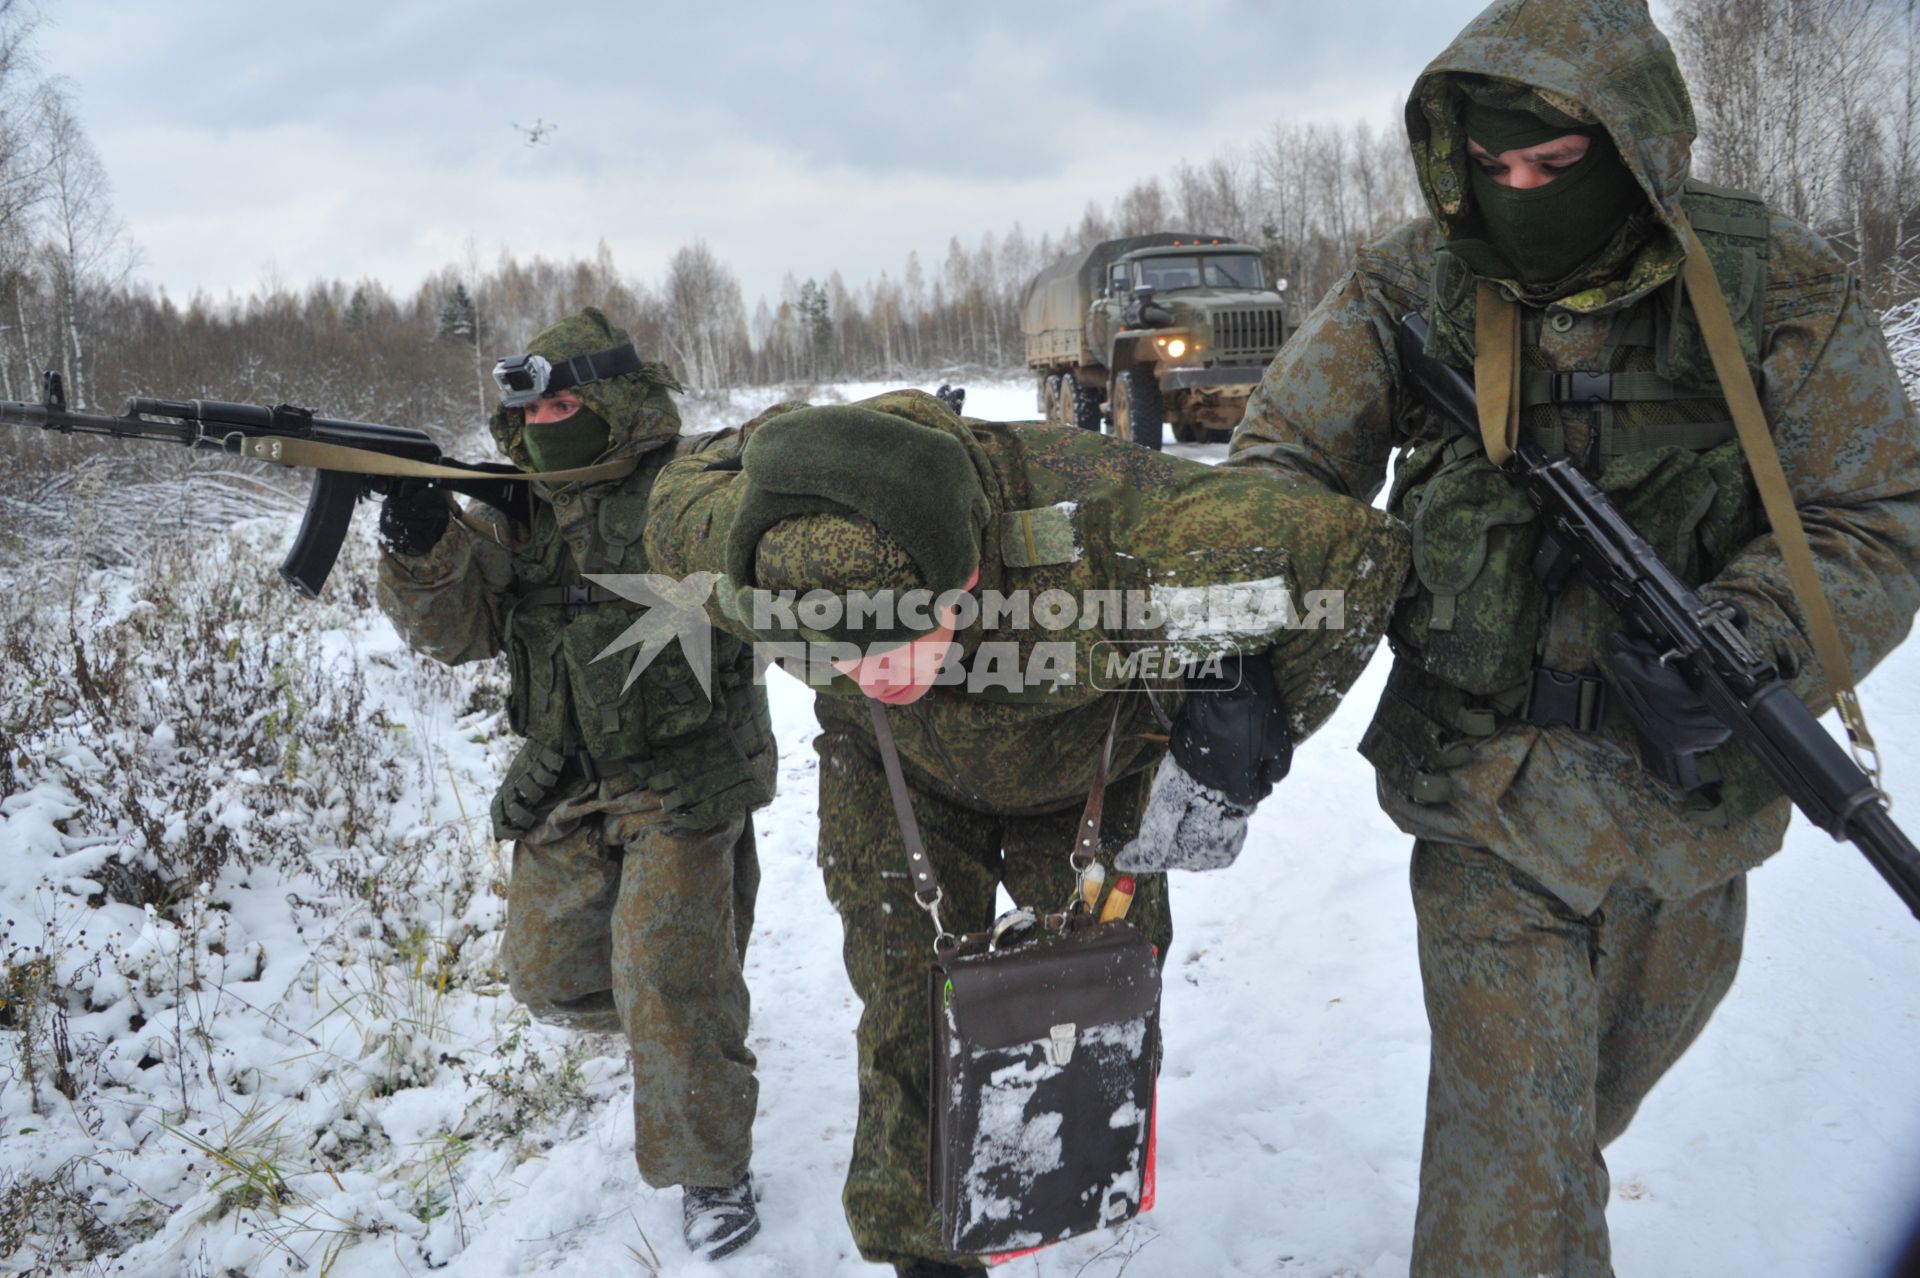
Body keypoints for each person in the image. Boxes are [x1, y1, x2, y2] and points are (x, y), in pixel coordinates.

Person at [1226, 1, 1920, 1274]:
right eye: (1491, 168)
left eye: (1555, 166)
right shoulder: (1413, 280)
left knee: (1565, 1129)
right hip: (1486, 791)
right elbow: (1282, 469)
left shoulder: (1777, 286)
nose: (1520, 194)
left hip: (1693, 811)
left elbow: (1875, 513)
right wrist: (1247, 656)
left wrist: (1757, 637)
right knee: (1509, 1181)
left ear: (1636, 144)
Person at [644, 388, 1410, 1277]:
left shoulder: (1116, 524)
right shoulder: (740, 554)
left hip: (1083, 772)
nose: (873, 671)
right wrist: (774, 439)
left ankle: (1080, 1169)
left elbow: (1356, 558)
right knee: (909, 1010)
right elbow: (675, 490)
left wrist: (1248, 717)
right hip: (898, 777)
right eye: (838, 651)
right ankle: (927, 1256)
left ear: (966, 575)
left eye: (901, 638)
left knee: (1105, 996)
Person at [375, 308, 777, 1262]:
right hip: (565, 777)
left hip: (686, 778)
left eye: (569, 401)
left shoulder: (685, 491)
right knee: (548, 979)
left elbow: (767, 574)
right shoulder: (516, 508)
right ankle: (687, 1004)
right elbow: (456, 633)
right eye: (537, 407)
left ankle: (711, 1169)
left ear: (617, 403)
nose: (552, 421)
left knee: (666, 979)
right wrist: (422, 543)